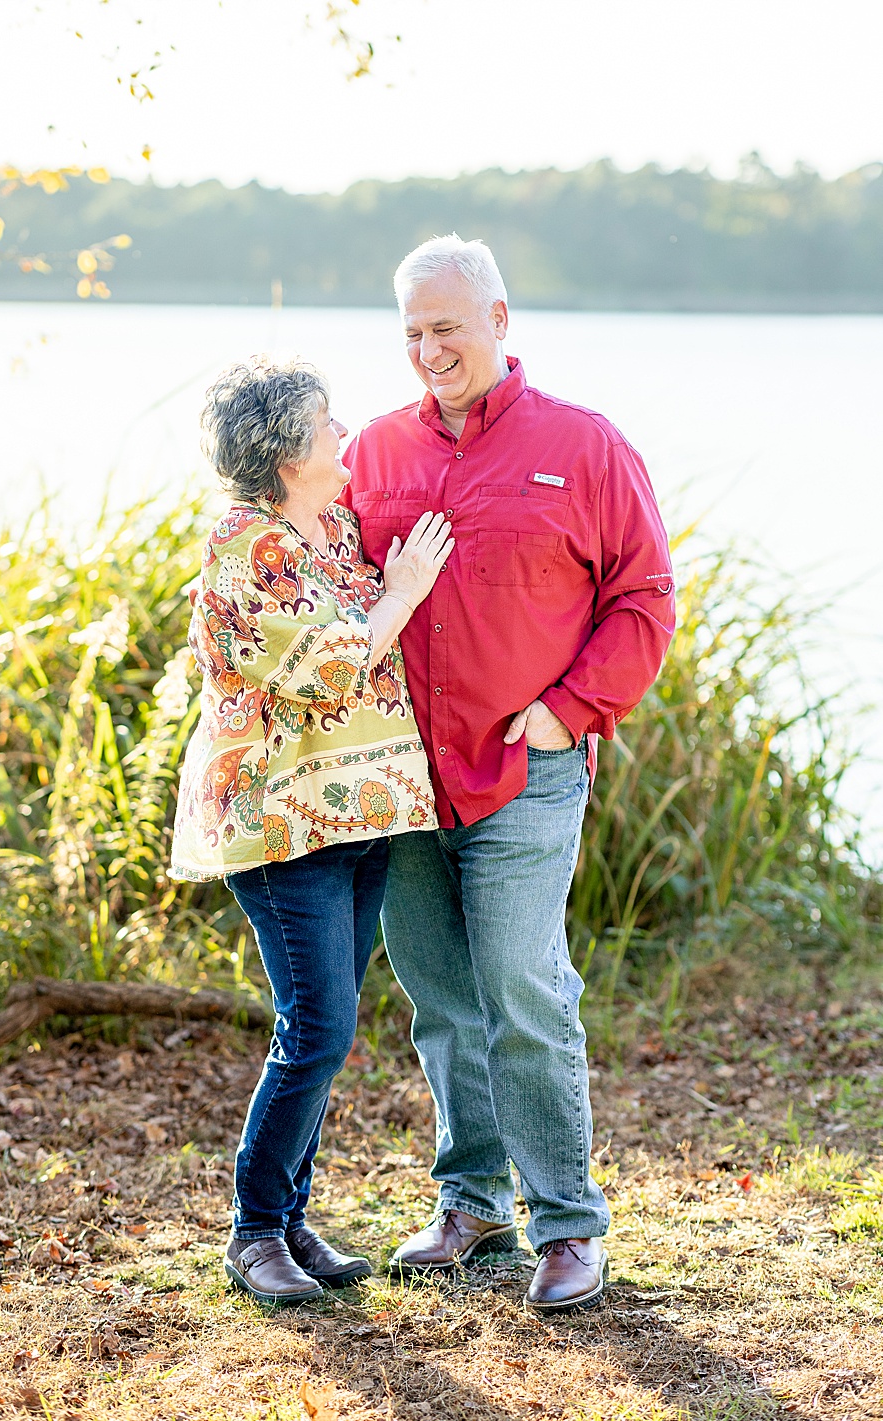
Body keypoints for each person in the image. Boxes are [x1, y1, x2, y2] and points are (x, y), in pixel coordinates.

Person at [342, 235, 675, 1312]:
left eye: (446, 326)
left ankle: (568, 1222)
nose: (428, 348)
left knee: (524, 987)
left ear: (497, 318)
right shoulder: (371, 452)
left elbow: (643, 600)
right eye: (411, 332)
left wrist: (563, 714)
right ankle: (471, 1202)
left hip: (525, 774)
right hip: (402, 784)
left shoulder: (584, 446)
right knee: (438, 994)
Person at [168, 356, 452, 1305]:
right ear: (288, 451)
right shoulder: (249, 547)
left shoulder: (325, 529)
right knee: (319, 1027)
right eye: (327, 424)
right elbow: (333, 666)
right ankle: (254, 1232)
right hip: (284, 826)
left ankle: (289, 1219)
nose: (343, 434)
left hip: (358, 814)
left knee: (326, 1027)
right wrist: (404, 588)